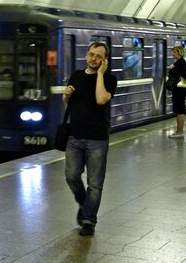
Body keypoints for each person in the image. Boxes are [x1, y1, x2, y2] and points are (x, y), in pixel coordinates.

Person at [63, 42, 117, 236]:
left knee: (95, 183)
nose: (93, 59)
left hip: (97, 139)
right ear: (86, 55)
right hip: (74, 137)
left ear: (104, 60)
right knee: (71, 176)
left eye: (98, 57)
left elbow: (101, 99)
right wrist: (67, 95)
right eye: (91, 55)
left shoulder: (110, 79)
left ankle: (88, 221)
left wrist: (100, 74)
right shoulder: (76, 75)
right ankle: (85, 203)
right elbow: (69, 103)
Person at [168, 46, 186, 138]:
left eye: (175, 52)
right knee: (179, 109)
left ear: (180, 53)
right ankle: (179, 131)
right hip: (181, 87)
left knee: (179, 109)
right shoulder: (180, 62)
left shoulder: (180, 62)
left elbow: (175, 74)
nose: (173, 54)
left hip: (180, 88)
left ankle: (179, 132)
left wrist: (172, 68)